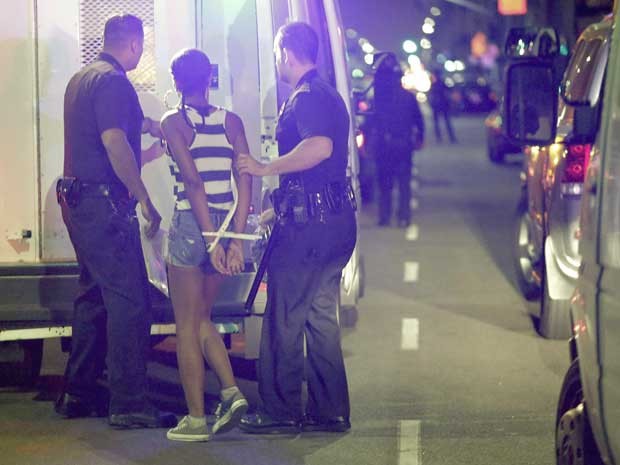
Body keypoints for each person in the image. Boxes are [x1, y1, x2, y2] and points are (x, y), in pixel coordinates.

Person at [55, 14, 177, 429]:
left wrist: (155, 133)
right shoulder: (114, 82)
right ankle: (129, 403)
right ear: (136, 45)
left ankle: (78, 392)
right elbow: (113, 142)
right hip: (104, 205)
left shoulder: (82, 79)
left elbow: (112, 140)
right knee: (130, 301)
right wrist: (144, 197)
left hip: (79, 200)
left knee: (92, 295)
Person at [236, 21, 357, 434]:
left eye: (276, 54)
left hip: (308, 232)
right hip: (333, 224)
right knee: (321, 317)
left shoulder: (305, 97)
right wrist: (272, 212)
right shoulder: (329, 95)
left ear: (286, 53)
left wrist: (264, 167)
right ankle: (330, 411)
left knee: (284, 317)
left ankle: (280, 410)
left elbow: (319, 147)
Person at [160, 48, 251, 442]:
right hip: (227, 222)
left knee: (185, 326)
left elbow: (193, 183)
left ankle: (196, 420)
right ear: (209, 79)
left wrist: (210, 239)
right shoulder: (231, 121)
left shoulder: (174, 123)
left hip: (190, 226)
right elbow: (246, 181)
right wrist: (234, 240)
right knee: (202, 319)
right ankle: (230, 392)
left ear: (177, 81)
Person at [373, 53, 425, 227]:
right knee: (404, 184)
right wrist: (419, 138)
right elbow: (419, 121)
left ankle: (385, 217)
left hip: (385, 147)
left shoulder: (380, 99)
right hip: (404, 146)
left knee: (385, 185)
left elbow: (372, 123)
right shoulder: (408, 97)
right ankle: (403, 217)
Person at [428, 69, 457, 144]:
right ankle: (449, 137)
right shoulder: (439, 83)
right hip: (441, 105)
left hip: (439, 105)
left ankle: (441, 138)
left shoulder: (436, 84)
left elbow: (432, 95)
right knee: (445, 122)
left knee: (441, 122)